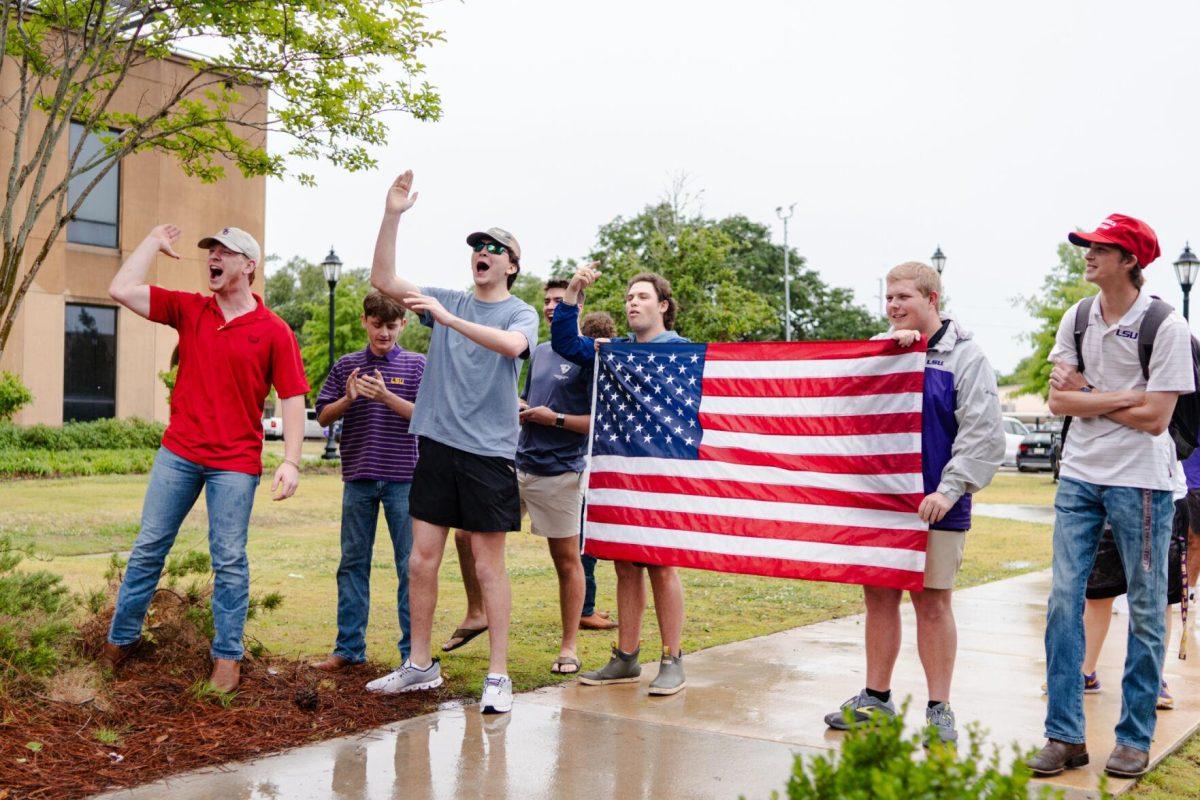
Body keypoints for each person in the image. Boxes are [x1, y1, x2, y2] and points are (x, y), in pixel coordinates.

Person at [101, 224, 308, 692]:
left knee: (230, 559)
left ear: (248, 266)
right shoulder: (190, 309)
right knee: (149, 549)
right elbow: (120, 288)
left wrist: (291, 461)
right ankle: (121, 641)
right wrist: (151, 242)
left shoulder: (273, 331)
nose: (212, 257)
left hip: (234, 462)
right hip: (179, 454)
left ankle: (227, 657)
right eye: (210, 250)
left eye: (224, 252)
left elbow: (293, 396)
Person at [1027, 214, 1194, 779]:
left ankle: (1133, 736)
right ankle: (1064, 736)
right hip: (1079, 475)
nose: (1087, 254)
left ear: (1130, 260)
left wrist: (1090, 394)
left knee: (1147, 610)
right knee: (1062, 603)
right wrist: (1117, 396)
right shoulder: (1077, 317)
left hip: (1143, 482)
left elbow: (1155, 419)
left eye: (1101, 247)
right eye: (1086, 245)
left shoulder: (1164, 326)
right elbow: (1057, 404)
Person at [366, 170, 539, 715]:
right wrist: (392, 213)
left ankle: (498, 675)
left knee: (488, 567)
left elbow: (513, 346)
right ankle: (420, 666)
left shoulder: (520, 312)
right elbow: (383, 277)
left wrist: (448, 320)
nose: (481, 253)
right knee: (421, 561)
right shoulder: (448, 299)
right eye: (477, 248)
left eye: (494, 249)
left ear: (511, 264)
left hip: (488, 454)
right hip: (437, 445)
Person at [823, 261, 1004, 745]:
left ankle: (939, 708)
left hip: (936, 502)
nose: (894, 307)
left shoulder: (966, 356)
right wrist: (886, 358)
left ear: (932, 299)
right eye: (888, 299)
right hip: (881, 500)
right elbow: (843, 409)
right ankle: (875, 699)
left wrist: (950, 490)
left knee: (932, 603)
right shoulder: (885, 349)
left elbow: (983, 433)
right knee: (879, 597)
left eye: (903, 298)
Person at [551, 265, 690, 696]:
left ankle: (672, 658)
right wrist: (573, 292)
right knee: (624, 563)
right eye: (629, 297)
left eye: (643, 297)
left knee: (661, 564)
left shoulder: (683, 351)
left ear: (663, 306)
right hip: (618, 470)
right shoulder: (613, 351)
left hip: (664, 471)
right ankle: (626, 657)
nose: (633, 302)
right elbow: (564, 343)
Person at [310, 291, 425, 673]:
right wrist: (348, 399)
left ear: (403, 325)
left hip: (405, 481)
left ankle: (412, 653)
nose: (384, 333)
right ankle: (348, 649)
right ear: (365, 321)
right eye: (377, 325)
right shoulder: (347, 366)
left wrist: (386, 396)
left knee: (410, 567)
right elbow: (323, 416)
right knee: (352, 563)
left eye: (392, 326)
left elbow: (428, 417)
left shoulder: (417, 366)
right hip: (358, 478)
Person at [578, 310, 620, 631]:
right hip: (591, 460)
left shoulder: (587, 362)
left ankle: (587, 605)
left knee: (585, 540)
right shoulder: (603, 365)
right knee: (584, 544)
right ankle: (585, 609)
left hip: (589, 459)